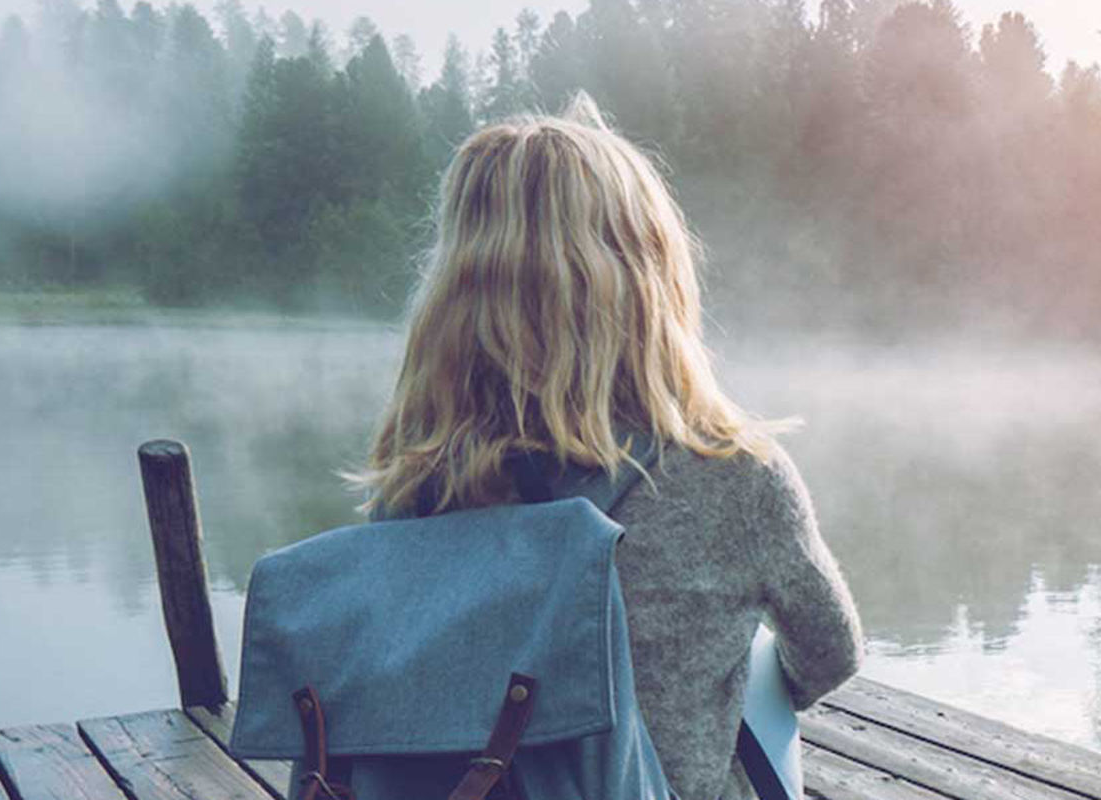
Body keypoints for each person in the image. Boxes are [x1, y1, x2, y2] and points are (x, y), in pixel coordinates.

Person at [348, 96, 865, 800]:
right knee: (759, 696)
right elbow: (831, 653)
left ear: (458, 291)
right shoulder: (734, 475)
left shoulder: (415, 485)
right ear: (651, 281)